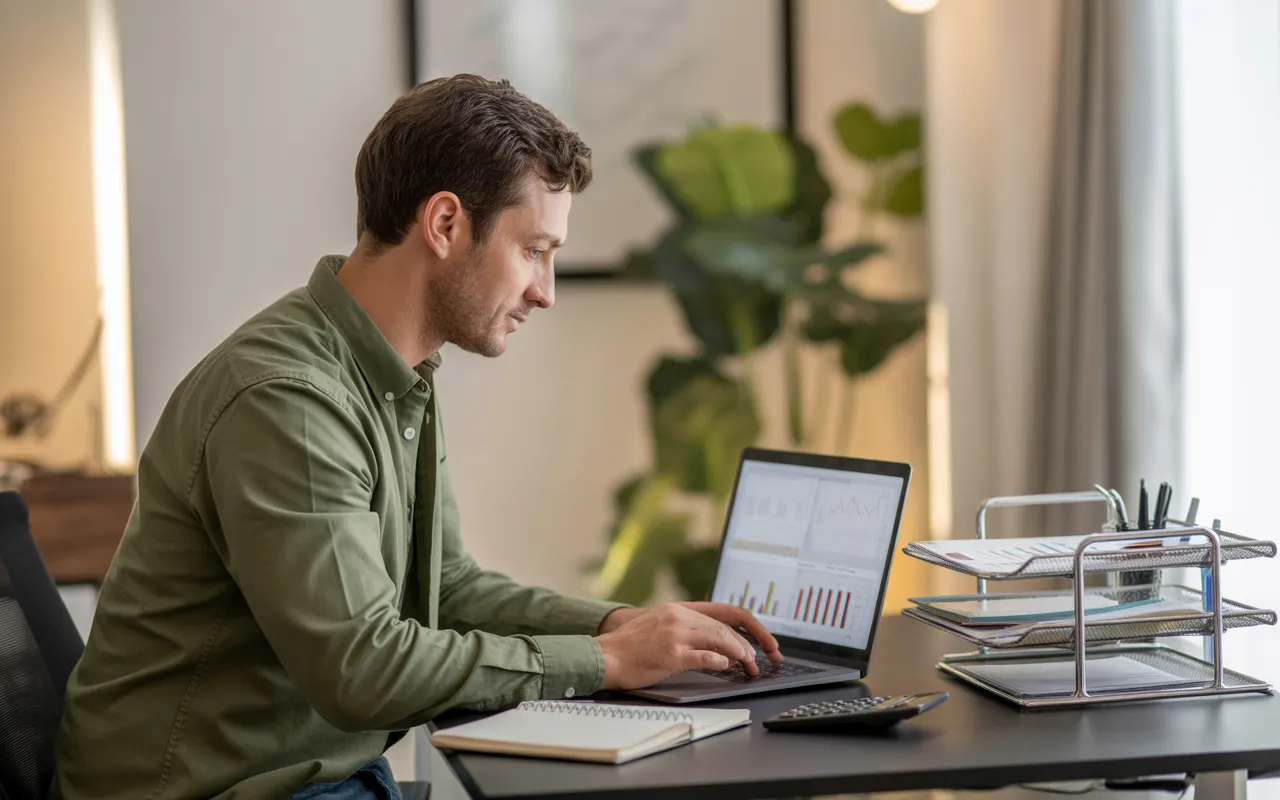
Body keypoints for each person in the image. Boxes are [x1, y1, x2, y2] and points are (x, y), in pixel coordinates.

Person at [50, 74, 783, 800]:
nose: (545, 290)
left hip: (313, 779)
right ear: (444, 225)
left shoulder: (395, 374)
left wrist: (627, 626)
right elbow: (362, 672)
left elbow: (450, 590)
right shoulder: (289, 400)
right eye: (533, 249)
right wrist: (604, 661)